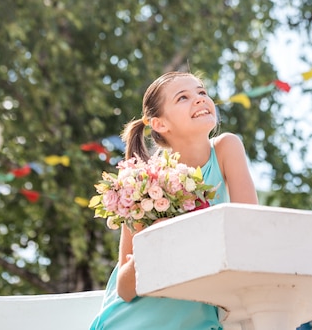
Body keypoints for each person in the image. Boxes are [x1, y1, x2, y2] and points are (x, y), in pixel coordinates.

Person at [89, 71, 258, 330]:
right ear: (159, 124)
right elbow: (124, 288)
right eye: (183, 97)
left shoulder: (226, 148)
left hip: (196, 320)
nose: (200, 99)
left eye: (202, 92)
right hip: (129, 321)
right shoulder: (143, 183)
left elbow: (249, 226)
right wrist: (153, 243)